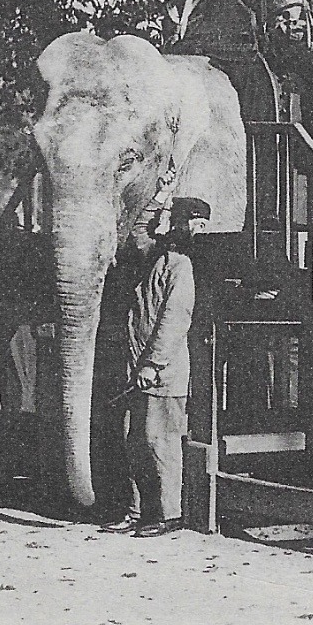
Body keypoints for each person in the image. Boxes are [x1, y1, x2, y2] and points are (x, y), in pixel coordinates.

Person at [102, 196, 210, 538]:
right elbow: (138, 229)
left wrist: (153, 364)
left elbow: (175, 321)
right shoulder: (155, 258)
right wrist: (159, 195)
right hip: (137, 370)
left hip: (162, 375)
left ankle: (168, 515)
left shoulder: (180, 266)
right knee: (133, 442)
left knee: (158, 443)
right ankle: (135, 512)